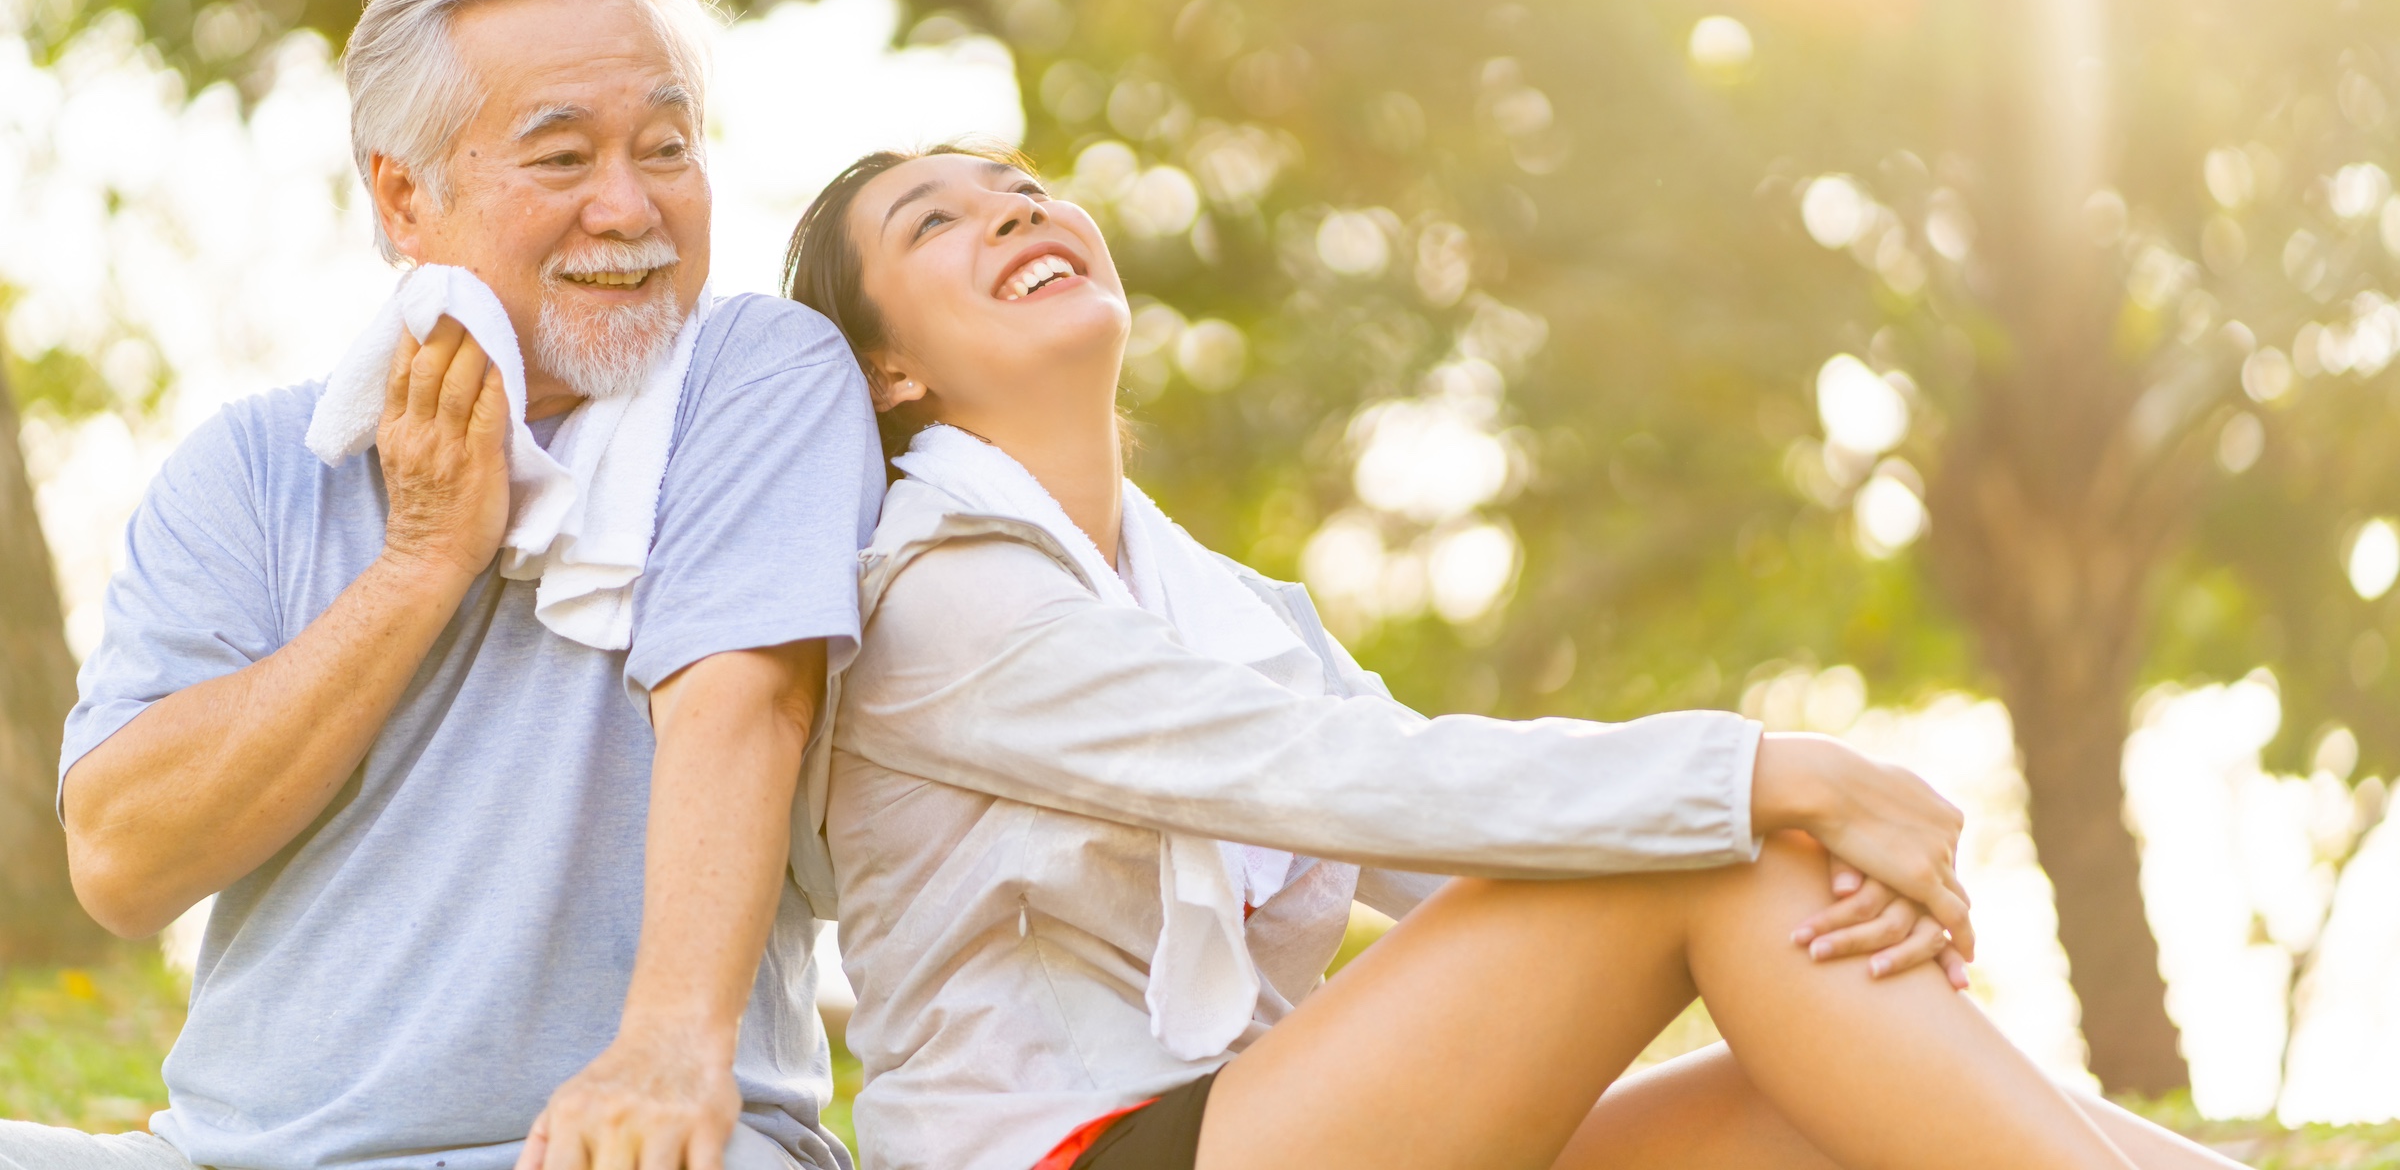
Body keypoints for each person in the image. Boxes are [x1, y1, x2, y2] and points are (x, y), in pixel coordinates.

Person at [783, 142, 2239, 1170]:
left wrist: (1794, 843)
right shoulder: (940, 593)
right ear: (886, 371)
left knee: (1803, 1067)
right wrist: (1770, 775)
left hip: (1280, 1139)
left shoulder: (1222, 607)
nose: (1015, 212)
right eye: (935, 222)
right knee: (1713, 843)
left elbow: (1439, 848)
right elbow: (1350, 778)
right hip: (1081, 1160)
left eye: (1023, 190)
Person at [1, 0, 882, 1170]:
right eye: (563, 157)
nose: (628, 207)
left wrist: (669, 1051)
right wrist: (421, 563)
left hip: (624, 1145)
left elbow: (748, 701)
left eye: (668, 148)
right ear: (406, 197)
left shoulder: (752, 376)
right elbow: (124, 863)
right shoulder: (254, 466)